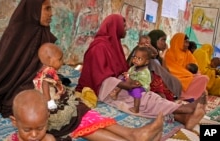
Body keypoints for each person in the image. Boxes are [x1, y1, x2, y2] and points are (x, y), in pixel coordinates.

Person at [76, 14, 206, 131]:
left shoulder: (113, 44)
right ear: (115, 26)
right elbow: (100, 78)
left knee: (148, 95)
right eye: (124, 25)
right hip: (103, 88)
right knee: (142, 98)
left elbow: (121, 70)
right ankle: (184, 109)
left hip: (117, 84)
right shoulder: (99, 47)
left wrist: (127, 79)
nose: (126, 28)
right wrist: (125, 84)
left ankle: (184, 118)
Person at [33, 42, 164, 141]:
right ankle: (132, 136)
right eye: (60, 59)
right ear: (50, 61)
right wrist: (52, 104)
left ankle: (133, 134)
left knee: (86, 113)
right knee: (80, 122)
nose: (63, 62)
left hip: (62, 106)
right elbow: (46, 92)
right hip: (55, 114)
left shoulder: (47, 73)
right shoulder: (46, 76)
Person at [0, 0, 57, 118]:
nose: (51, 13)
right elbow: (6, 70)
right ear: (33, 11)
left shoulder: (43, 32)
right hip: (18, 83)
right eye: (47, 9)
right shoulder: (15, 35)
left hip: (36, 79)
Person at [128, 30, 182, 101]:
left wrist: (164, 53)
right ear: (155, 39)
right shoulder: (141, 50)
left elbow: (164, 70)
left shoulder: (153, 52)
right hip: (143, 77)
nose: (164, 43)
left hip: (157, 78)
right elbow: (131, 63)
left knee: (176, 81)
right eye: (163, 40)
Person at [164, 33, 209, 100]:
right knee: (177, 81)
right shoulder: (169, 53)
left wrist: (196, 74)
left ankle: (192, 95)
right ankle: (184, 95)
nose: (188, 45)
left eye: (188, 42)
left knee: (205, 78)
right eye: (186, 42)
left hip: (189, 76)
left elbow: (195, 67)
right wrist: (188, 74)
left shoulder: (188, 53)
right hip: (177, 77)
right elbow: (172, 69)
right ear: (178, 41)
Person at [110, 47, 152, 113]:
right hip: (132, 83)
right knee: (122, 79)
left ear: (146, 62)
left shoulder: (145, 72)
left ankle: (136, 108)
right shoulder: (133, 67)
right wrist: (127, 75)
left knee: (136, 91)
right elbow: (130, 74)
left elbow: (140, 83)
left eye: (139, 58)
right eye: (135, 57)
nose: (135, 60)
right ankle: (116, 92)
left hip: (142, 86)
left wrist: (130, 80)